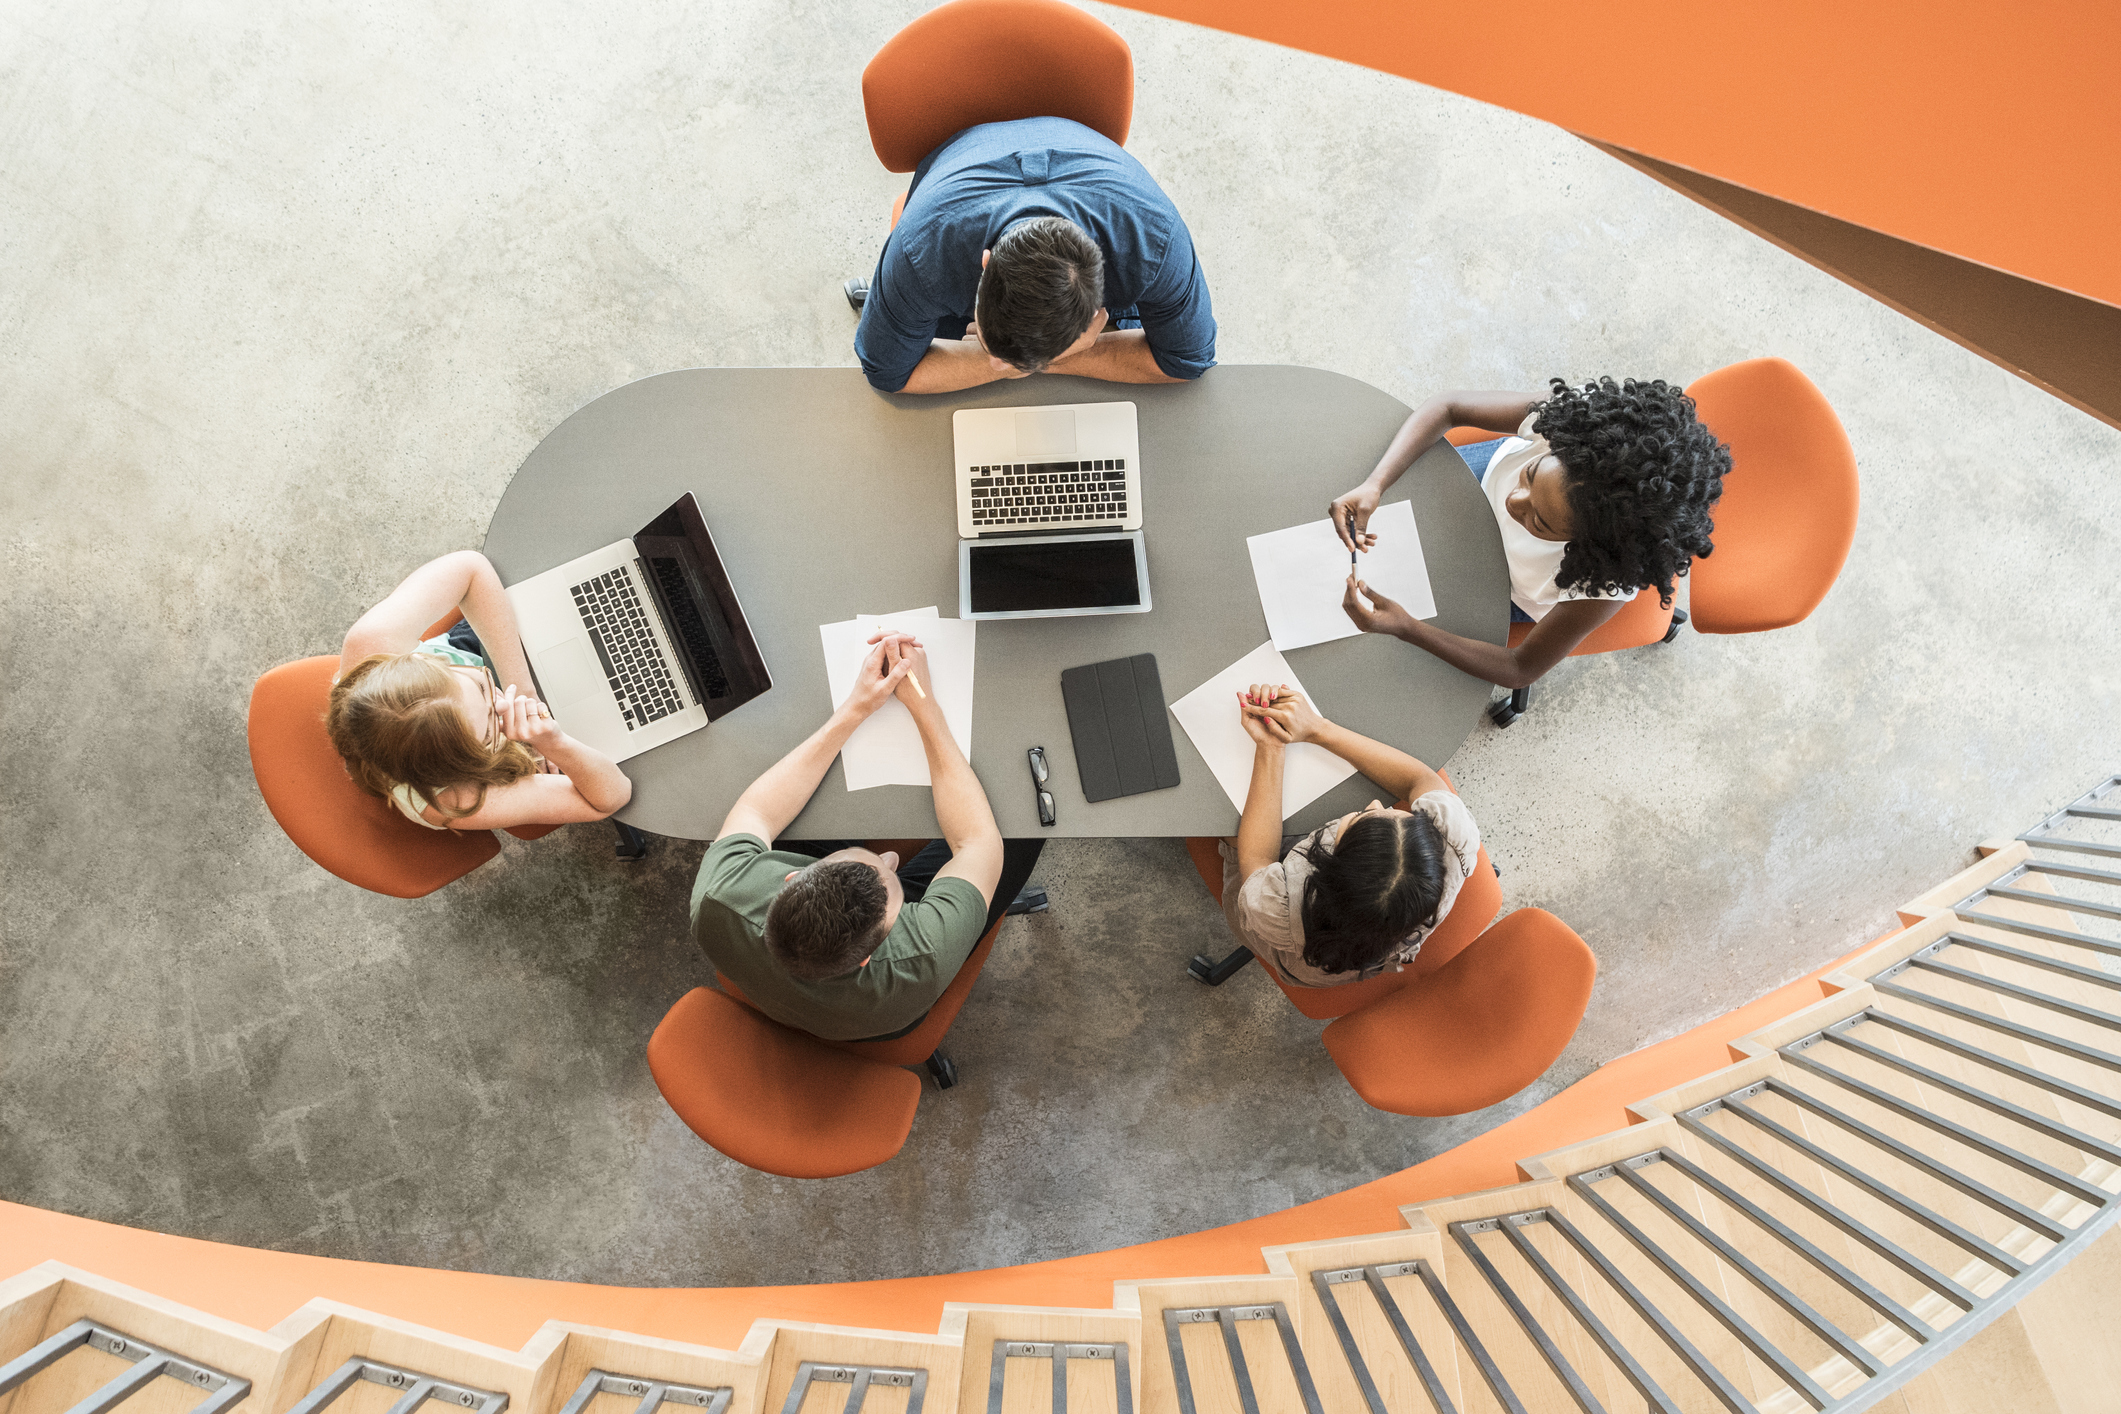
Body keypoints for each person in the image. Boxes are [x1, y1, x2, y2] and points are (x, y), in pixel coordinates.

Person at [691, 631, 1044, 1042]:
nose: (892, 856)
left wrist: (857, 707)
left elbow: (755, 811)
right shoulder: (921, 957)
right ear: (868, 959)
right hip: (874, 1021)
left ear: (792, 879)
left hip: (774, 988)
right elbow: (976, 843)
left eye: (873, 860)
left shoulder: (719, 894)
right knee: (1022, 825)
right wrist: (924, 706)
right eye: (892, 877)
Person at [1329, 378, 1730, 690]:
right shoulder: (1570, 426)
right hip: (1474, 479)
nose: (1513, 502)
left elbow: (1520, 668)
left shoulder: (1600, 586)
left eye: (1540, 522)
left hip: (1504, 585)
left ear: (1586, 548)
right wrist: (1376, 484)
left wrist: (1407, 628)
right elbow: (1448, 407)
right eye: (1532, 474)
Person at [848, 116, 1216, 394]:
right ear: (986, 262)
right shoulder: (921, 252)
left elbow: (1187, 361)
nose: (996, 363)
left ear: (1095, 312)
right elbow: (886, 372)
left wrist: (1038, 361)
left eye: (998, 358)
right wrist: (1045, 359)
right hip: (956, 188)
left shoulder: (1156, 242)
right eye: (997, 355)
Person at [328, 551, 632, 830]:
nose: (503, 704)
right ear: (465, 764)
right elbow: (611, 798)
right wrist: (553, 743)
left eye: (480, 686)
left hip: (478, 655)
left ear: (424, 661)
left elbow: (471, 567)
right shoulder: (454, 800)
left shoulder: (370, 645)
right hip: (526, 744)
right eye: (489, 729)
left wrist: (523, 691)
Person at [1218, 684, 1480, 988]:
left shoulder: (1276, 908)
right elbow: (1420, 779)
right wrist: (1317, 729)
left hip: (1305, 943)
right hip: (1381, 932)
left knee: (1233, 830)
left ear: (1327, 865)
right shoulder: (1448, 837)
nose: (1374, 804)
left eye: (1360, 819)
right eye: (1397, 815)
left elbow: (1258, 861)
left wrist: (1271, 747)